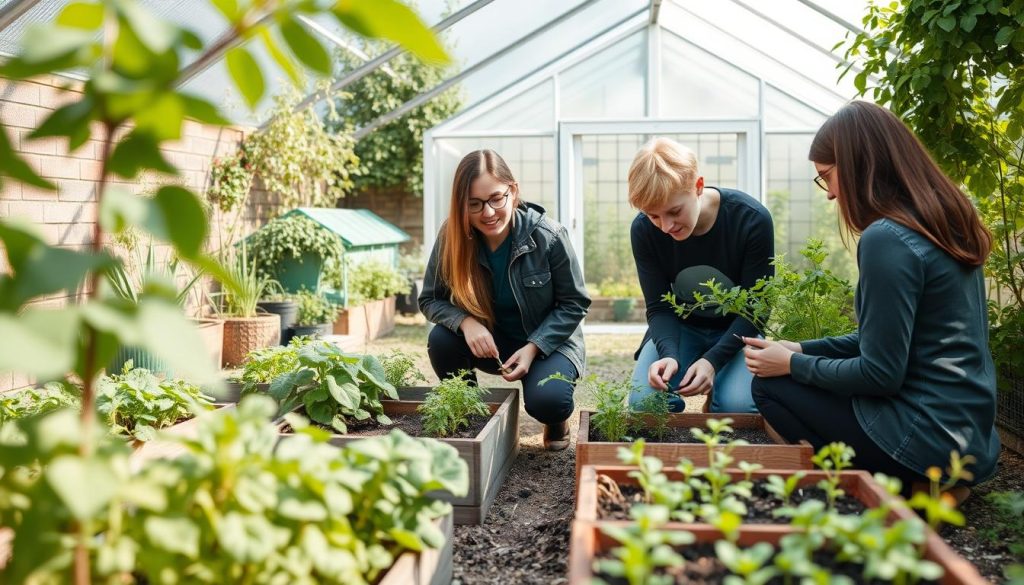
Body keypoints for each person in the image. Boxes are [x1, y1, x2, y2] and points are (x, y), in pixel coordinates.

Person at [742, 101, 1001, 492]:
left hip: (925, 441)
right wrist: (800, 347)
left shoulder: (887, 238)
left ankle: (887, 486)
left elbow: (880, 374)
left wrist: (792, 365)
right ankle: (935, 482)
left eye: (827, 176)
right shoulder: (944, 220)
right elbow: (886, 344)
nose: (829, 194)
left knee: (769, 386)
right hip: (969, 437)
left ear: (860, 164)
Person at [419, 149, 590, 450]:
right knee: (441, 340)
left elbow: (574, 302)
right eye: (474, 204)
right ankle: (467, 414)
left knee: (548, 401)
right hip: (491, 343)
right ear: (462, 205)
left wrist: (534, 347)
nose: (487, 212)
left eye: (496, 198)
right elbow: (430, 299)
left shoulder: (548, 236)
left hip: (548, 344)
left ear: (513, 191)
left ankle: (556, 421)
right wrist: (466, 322)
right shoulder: (452, 237)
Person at [626, 137, 774, 414]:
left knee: (737, 407)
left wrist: (713, 361)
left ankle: (719, 394)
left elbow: (757, 308)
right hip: (680, 330)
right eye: (653, 216)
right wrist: (669, 355)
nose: (665, 226)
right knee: (645, 404)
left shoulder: (751, 220)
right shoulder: (644, 230)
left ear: (698, 186)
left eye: (674, 211)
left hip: (738, 330)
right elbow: (659, 307)